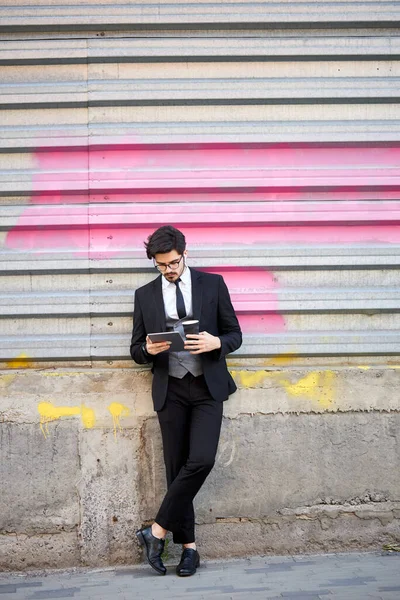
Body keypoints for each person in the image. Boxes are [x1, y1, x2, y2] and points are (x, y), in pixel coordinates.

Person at [130, 225, 242, 577]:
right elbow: (135, 350)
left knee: (202, 460)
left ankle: (156, 531)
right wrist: (147, 350)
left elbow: (235, 333)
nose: (169, 270)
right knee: (177, 470)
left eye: (174, 263)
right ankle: (189, 549)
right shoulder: (145, 295)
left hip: (208, 386)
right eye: (162, 265)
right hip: (171, 389)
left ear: (185, 253)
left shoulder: (213, 284)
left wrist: (216, 343)